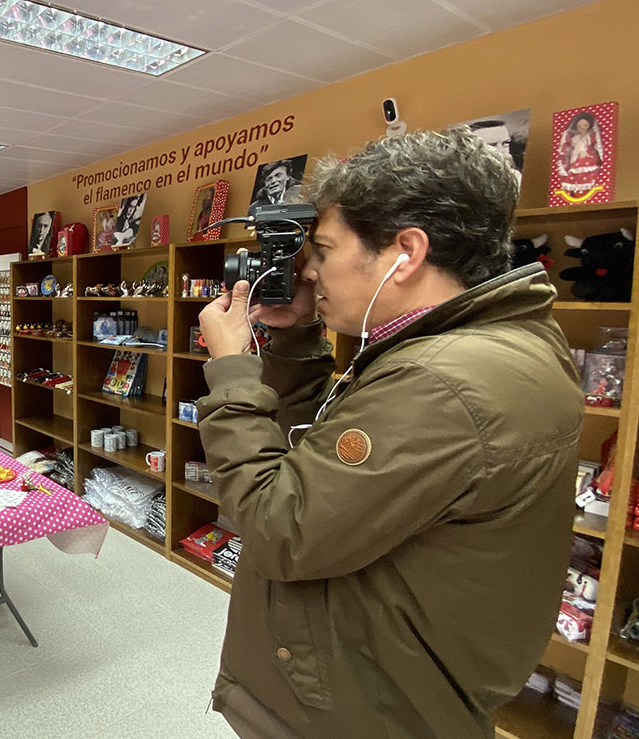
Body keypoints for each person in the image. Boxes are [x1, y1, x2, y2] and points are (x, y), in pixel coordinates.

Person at [194, 127, 581, 739]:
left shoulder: (443, 382)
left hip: (363, 708)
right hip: (373, 679)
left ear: (407, 251)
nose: (310, 272)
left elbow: (278, 524)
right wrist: (295, 340)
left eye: (322, 250)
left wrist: (233, 371)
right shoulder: (474, 346)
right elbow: (319, 459)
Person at [556, 111, 605, 199]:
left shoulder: (590, 136)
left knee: (589, 173)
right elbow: (568, 147)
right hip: (577, 158)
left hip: (589, 157)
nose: (582, 128)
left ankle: (586, 189)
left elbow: (596, 144)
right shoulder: (575, 138)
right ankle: (576, 191)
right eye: (579, 126)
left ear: (589, 126)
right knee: (575, 173)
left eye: (585, 125)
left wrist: (597, 149)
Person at [468, 119, 523, 186]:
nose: (501, 151)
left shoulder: (515, 177)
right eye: (492, 145)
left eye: (505, 143)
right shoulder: (466, 181)